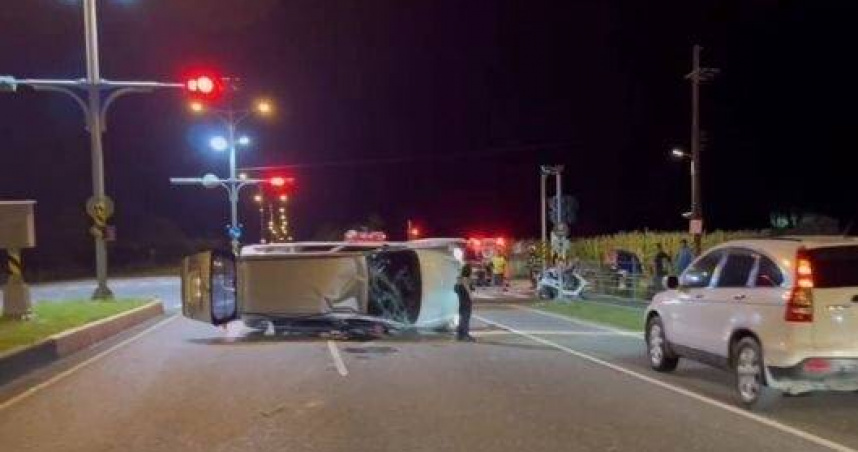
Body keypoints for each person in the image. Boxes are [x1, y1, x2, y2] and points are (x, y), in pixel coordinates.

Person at [454, 265, 475, 341]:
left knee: (462, 317)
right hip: (466, 301)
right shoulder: (467, 280)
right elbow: (469, 289)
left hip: (461, 301)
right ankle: (465, 335)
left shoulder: (459, 280)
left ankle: (460, 334)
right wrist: (470, 296)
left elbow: (455, 290)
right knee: (466, 317)